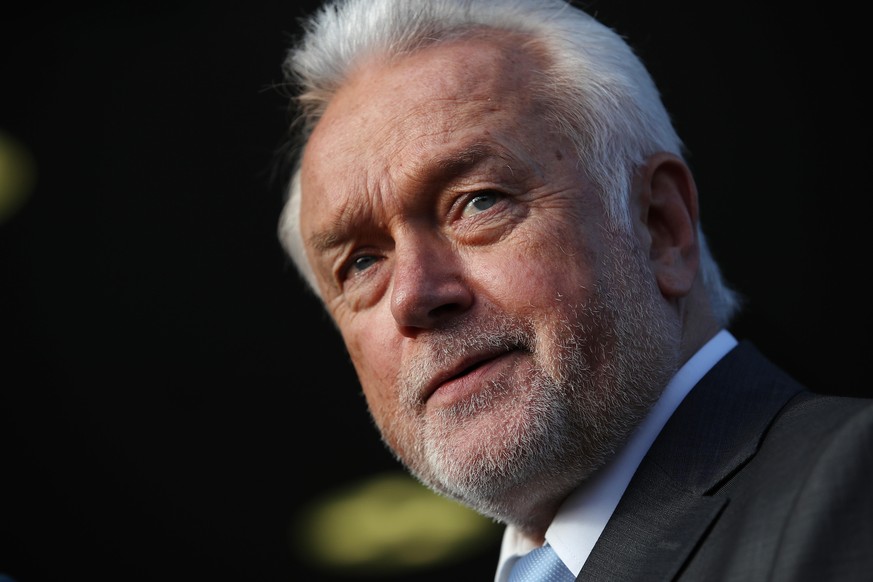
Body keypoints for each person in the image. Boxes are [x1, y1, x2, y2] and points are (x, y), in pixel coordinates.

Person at [274, 0, 873, 580]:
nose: (413, 295)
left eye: (478, 202)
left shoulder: (854, 487)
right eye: (361, 265)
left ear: (660, 227)